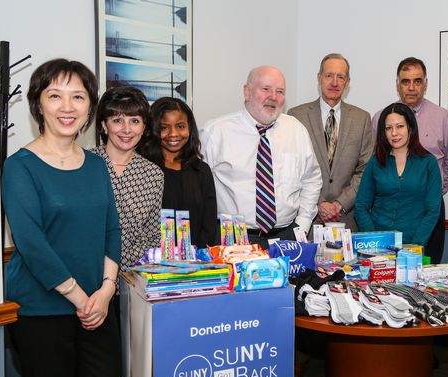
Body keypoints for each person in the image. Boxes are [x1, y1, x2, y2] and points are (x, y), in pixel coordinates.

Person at [2, 59, 122, 377]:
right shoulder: (20, 166)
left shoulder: (96, 164)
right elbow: (32, 243)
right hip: (43, 310)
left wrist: (106, 289)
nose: (67, 107)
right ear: (39, 104)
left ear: (90, 107)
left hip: (98, 308)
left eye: (78, 97)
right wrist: (81, 298)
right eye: (55, 96)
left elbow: (111, 230)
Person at [201, 65, 322, 249]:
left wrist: (303, 224)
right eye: (266, 89)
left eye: (280, 91)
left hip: (286, 238)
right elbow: (197, 187)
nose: (273, 96)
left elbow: (312, 179)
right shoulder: (215, 132)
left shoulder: (296, 130)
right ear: (247, 92)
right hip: (232, 240)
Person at [372, 57, 448, 263]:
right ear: (397, 84)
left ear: (425, 84)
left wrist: (432, 190)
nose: (411, 87)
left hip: (430, 208)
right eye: (405, 81)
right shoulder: (380, 119)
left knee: (428, 265)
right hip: (390, 208)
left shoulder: (442, 117)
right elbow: (376, 160)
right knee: (387, 267)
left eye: (417, 81)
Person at [289, 53, 373, 231]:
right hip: (307, 220)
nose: (334, 82)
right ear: (319, 78)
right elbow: (291, 168)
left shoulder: (362, 118)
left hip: (346, 220)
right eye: (329, 76)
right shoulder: (296, 116)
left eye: (340, 77)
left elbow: (365, 169)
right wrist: (318, 204)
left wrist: (339, 204)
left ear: (347, 82)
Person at [92, 86, 164, 268]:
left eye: (134, 121)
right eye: (117, 120)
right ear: (103, 125)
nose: (127, 129)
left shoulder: (153, 174)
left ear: (144, 127)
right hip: (89, 272)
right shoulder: (84, 164)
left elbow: (153, 234)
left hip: (134, 276)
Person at [355, 102, 441, 246]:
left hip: (413, 244)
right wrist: (373, 241)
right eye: (388, 128)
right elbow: (361, 206)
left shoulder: (428, 162)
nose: (394, 133)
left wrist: (415, 246)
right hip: (377, 245)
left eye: (400, 126)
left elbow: (432, 212)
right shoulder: (376, 161)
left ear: (410, 128)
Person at [139, 97, 217, 249]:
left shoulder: (201, 170)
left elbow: (209, 226)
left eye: (180, 126)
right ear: (153, 130)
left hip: (195, 264)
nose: (173, 134)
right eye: (164, 127)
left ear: (189, 128)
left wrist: (197, 261)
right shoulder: (143, 169)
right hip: (152, 263)